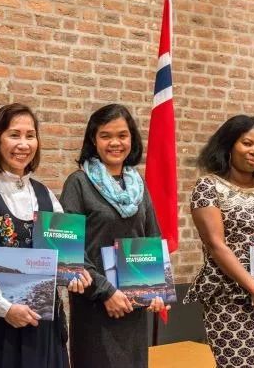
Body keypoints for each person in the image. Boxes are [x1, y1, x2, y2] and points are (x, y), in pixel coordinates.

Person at [0, 103, 92, 368]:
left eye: (30, 135)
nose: (23, 144)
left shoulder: (46, 196)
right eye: (14, 134)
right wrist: (4, 308)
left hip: (41, 328)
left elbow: (64, 258)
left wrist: (76, 274)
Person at [183, 115, 254, 367]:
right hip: (230, 297)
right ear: (229, 144)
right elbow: (216, 245)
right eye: (247, 143)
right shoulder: (208, 187)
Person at [60, 103, 168, 368]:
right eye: (106, 136)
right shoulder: (78, 183)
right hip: (95, 305)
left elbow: (151, 237)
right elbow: (67, 249)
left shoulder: (137, 184)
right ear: (93, 140)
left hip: (133, 306)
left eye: (122, 135)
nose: (115, 143)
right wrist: (106, 293)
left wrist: (157, 290)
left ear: (132, 139)